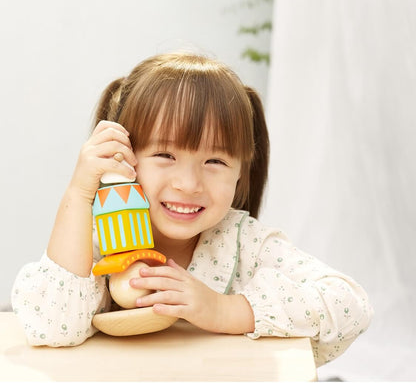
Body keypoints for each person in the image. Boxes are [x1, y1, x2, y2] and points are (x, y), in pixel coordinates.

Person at [11, 52, 372, 366]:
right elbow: (49, 327)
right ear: (124, 157)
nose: (189, 183)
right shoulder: (101, 239)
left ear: (241, 173)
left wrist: (225, 310)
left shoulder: (245, 243)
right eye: (165, 155)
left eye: (214, 160)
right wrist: (80, 192)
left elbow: (349, 305)